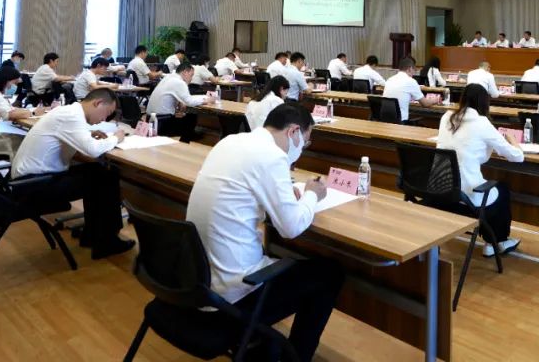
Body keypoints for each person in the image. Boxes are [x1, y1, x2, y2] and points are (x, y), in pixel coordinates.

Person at [187, 104, 344, 362]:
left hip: (198, 283)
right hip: (232, 294)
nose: (301, 149)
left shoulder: (231, 142)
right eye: (304, 142)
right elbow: (291, 227)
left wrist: (283, 195)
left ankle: (261, 343)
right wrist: (312, 195)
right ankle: (296, 358)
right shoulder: (272, 156)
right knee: (329, 273)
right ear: (293, 131)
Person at [10, 88, 133, 258]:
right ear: (98, 103)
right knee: (105, 178)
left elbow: (73, 139)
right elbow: (92, 150)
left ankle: (93, 235)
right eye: (106, 113)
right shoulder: (72, 116)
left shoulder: (69, 112)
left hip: (31, 179)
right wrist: (117, 138)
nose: (104, 119)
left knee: (100, 172)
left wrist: (88, 134)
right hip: (33, 185)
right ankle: (106, 241)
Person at [437, 83, 523, 257]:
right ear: (485, 103)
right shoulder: (482, 123)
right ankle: (497, 241)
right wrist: (514, 142)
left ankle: (491, 241)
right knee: (502, 190)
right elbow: (517, 157)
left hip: (440, 194)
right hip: (465, 200)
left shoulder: (446, 117)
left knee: (491, 190)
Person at [146, 62, 212, 142]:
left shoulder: (169, 77)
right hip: (161, 122)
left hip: (150, 119)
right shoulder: (179, 82)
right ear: (185, 72)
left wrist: (180, 101)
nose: (191, 79)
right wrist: (206, 99)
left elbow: (175, 95)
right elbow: (189, 101)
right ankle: (183, 144)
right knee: (191, 118)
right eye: (191, 75)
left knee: (186, 117)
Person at [382, 56, 437, 122]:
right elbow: (425, 104)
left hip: (386, 121)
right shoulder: (411, 81)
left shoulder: (389, 80)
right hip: (401, 122)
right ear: (410, 68)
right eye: (414, 70)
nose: (414, 73)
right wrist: (435, 100)